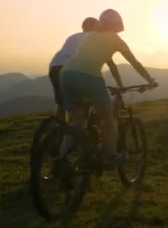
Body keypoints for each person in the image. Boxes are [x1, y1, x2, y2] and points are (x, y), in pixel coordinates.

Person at [59, 9, 156, 169]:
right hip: (89, 76)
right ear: (118, 24)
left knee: (76, 122)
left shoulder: (90, 36)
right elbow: (134, 63)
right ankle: (110, 156)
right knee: (108, 118)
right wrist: (150, 80)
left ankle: (61, 161)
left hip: (66, 75)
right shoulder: (115, 39)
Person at [48, 17, 99, 122]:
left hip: (54, 67)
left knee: (61, 103)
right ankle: (74, 131)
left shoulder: (73, 36)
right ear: (95, 27)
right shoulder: (94, 38)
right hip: (72, 69)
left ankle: (59, 130)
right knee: (80, 103)